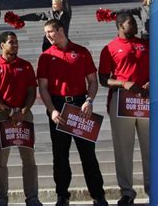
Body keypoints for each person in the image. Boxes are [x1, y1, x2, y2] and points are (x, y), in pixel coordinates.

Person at [37, 19, 107, 206]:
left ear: (60, 30)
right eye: (46, 33)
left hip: (80, 105)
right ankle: (62, 195)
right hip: (58, 107)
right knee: (60, 155)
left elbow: (92, 81)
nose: (48, 36)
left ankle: (98, 195)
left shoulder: (81, 52)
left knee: (88, 154)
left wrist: (89, 101)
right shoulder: (46, 56)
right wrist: (51, 110)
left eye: (50, 31)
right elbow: (42, 87)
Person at [98, 12, 149, 205]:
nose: (135, 25)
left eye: (135, 22)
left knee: (151, 146)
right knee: (123, 148)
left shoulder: (146, 44)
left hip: (146, 99)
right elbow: (103, 79)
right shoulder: (110, 48)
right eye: (131, 23)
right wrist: (123, 83)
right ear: (120, 26)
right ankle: (127, 192)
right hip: (122, 101)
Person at [0, 31, 42, 206]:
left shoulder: (25, 66)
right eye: (12, 42)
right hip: (3, 116)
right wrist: (8, 111)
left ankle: (32, 197)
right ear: (2, 45)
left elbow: (32, 91)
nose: (16, 45)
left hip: (25, 115)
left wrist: (24, 111)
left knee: (29, 159)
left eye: (17, 42)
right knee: (0, 160)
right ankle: (1, 198)